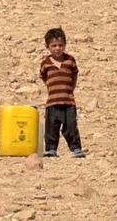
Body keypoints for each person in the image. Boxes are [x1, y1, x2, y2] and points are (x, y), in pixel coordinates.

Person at [39, 27, 86, 158]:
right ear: (48, 46)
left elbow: (75, 74)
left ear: (65, 45)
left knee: (71, 126)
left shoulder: (70, 60)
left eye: (60, 45)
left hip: (68, 101)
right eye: (54, 45)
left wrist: (71, 88)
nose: (57, 48)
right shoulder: (46, 63)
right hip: (52, 101)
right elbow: (43, 76)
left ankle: (76, 148)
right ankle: (51, 149)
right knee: (51, 127)